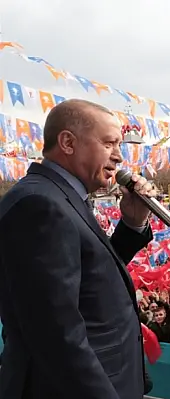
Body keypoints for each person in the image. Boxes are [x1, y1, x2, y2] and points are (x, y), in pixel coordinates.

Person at [0, 99, 156, 399]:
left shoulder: (63, 197)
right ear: (68, 142)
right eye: (109, 143)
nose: (119, 157)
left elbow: (89, 278)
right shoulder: (39, 205)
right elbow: (56, 335)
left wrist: (132, 224)